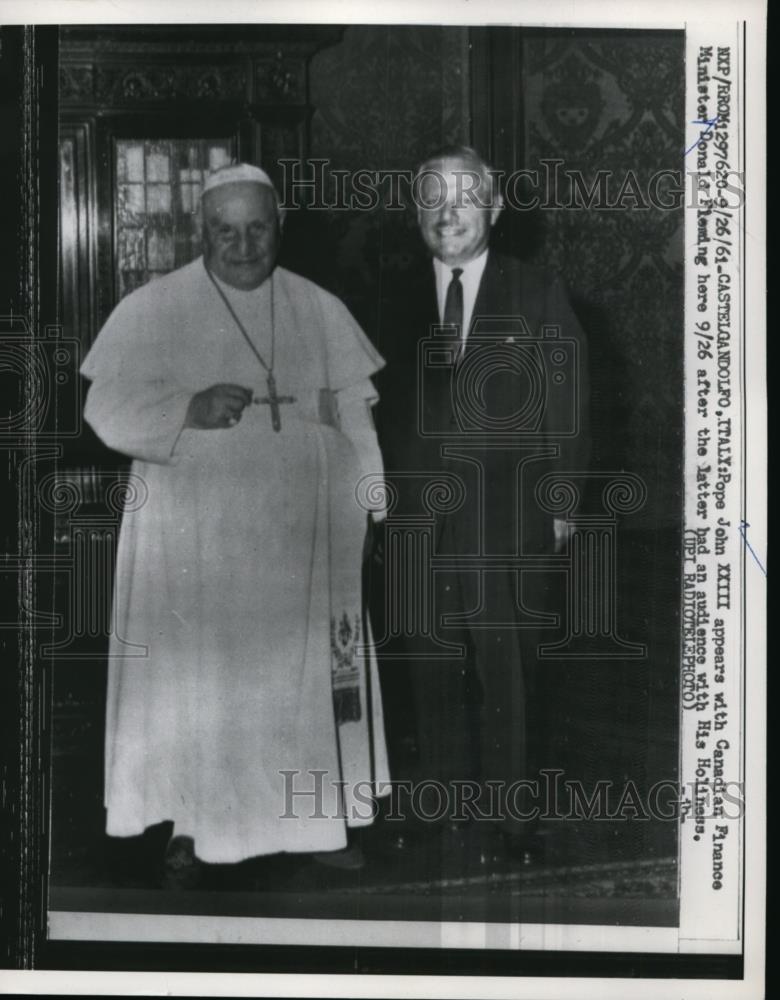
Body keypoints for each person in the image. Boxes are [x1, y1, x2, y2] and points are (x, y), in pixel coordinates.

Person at [81, 163, 389, 878]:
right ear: (202, 231)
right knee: (208, 681)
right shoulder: (154, 307)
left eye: (258, 229)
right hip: (202, 539)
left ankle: (322, 822)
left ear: (279, 226)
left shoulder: (317, 305)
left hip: (306, 533)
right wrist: (184, 410)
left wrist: (369, 494)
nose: (244, 246)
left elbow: (354, 408)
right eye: (227, 231)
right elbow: (105, 410)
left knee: (308, 672)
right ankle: (192, 827)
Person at [372, 145, 591, 862]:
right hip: (412, 519)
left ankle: (511, 820)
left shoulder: (536, 289)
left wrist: (559, 501)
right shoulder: (383, 298)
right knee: (427, 661)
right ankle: (438, 804)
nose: (446, 213)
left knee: (507, 670)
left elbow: (569, 401)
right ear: (415, 213)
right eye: (431, 198)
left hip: (508, 515)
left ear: (493, 209)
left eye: (463, 198)